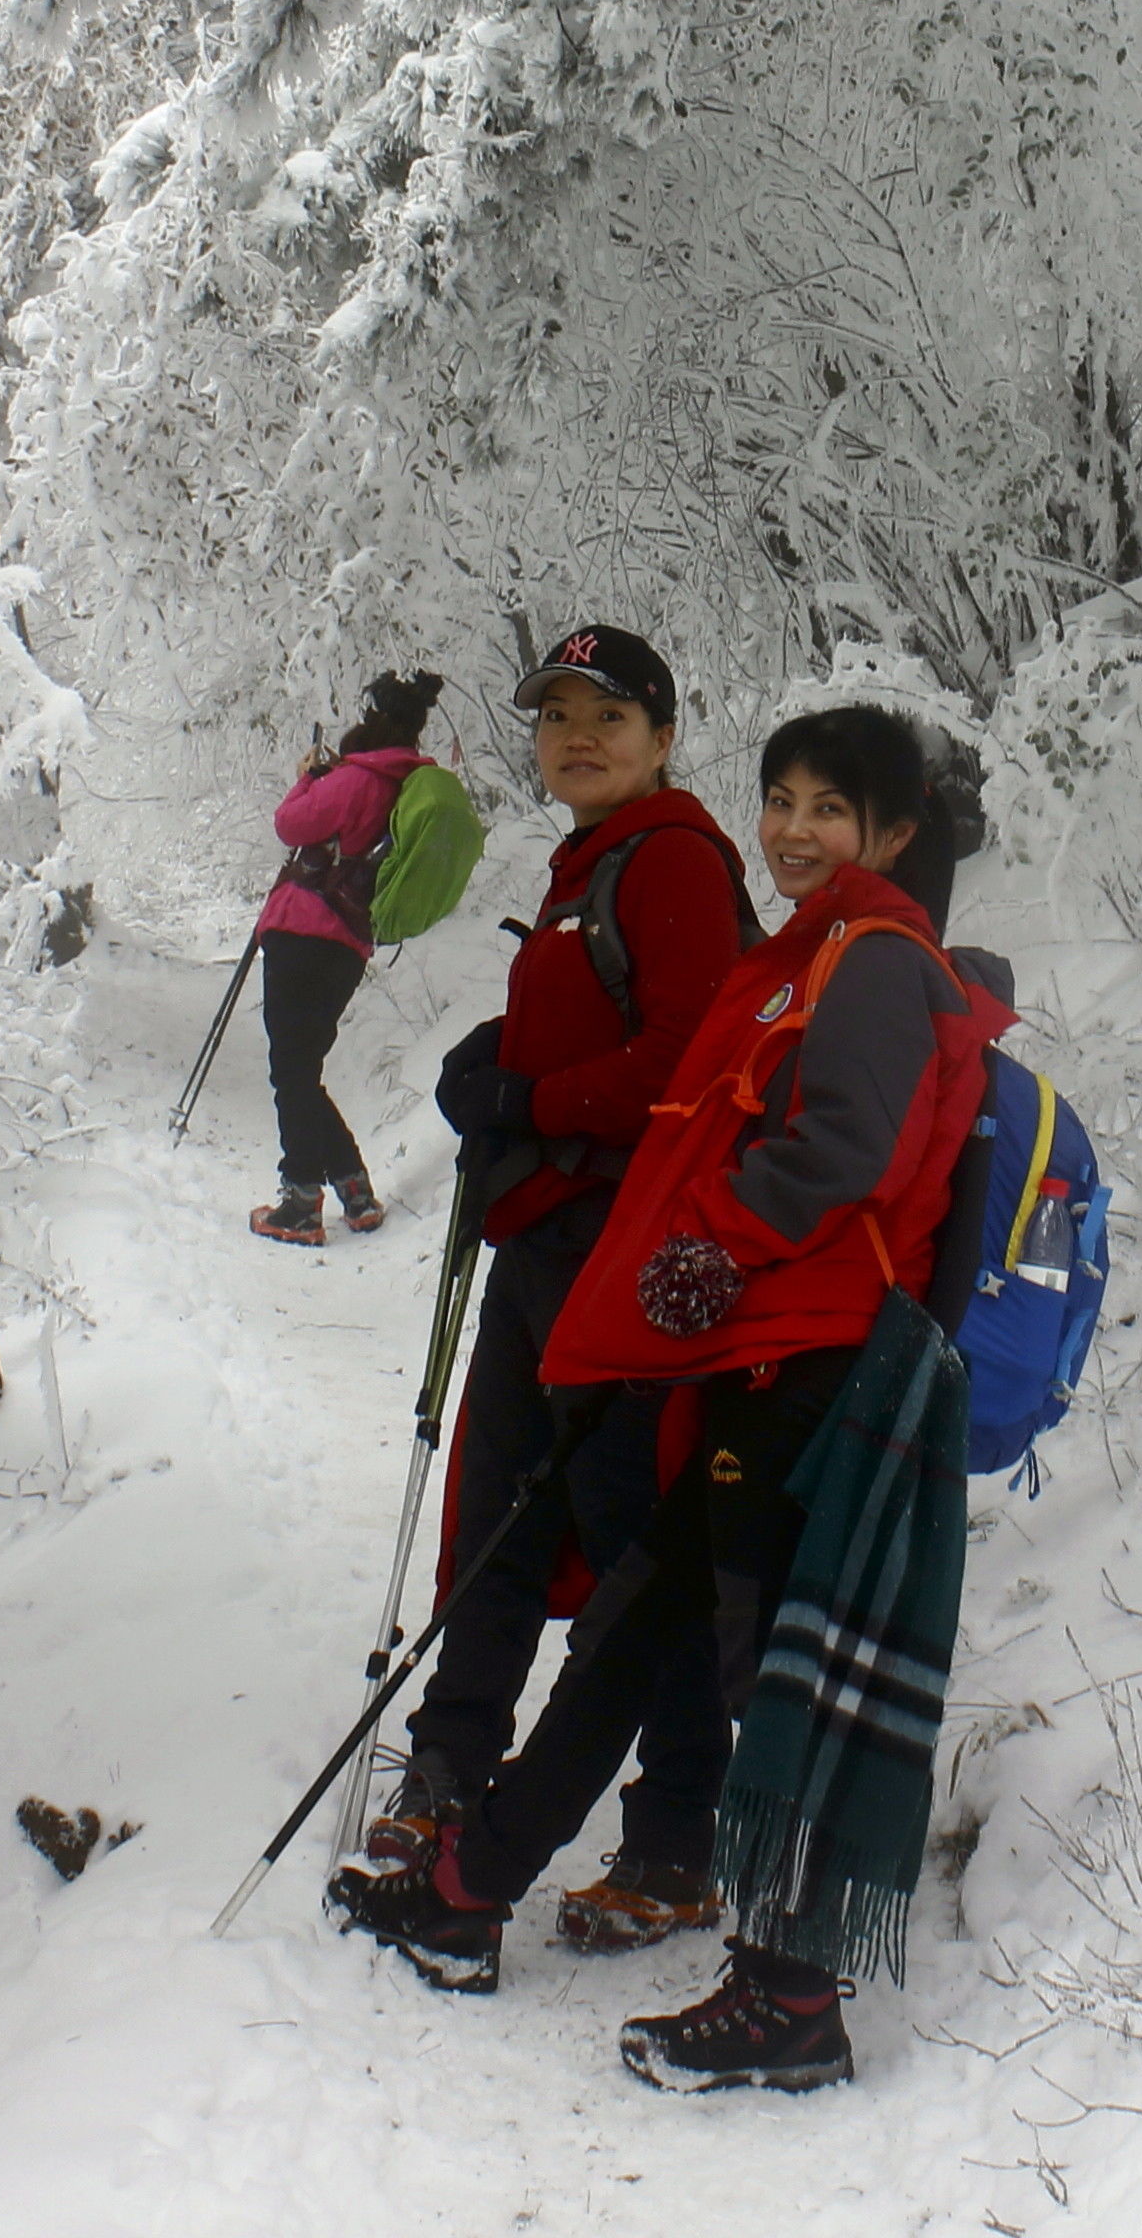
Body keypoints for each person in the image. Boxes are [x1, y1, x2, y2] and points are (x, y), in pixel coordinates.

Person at [333, 701, 1004, 2098]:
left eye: (832, 809)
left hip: (818, 1357)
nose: (795, 831)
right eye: (783, 800)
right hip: (762, 1352)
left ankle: (792, 1995)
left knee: (764, 1666)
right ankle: (471, 1893)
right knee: (644, 1629)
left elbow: (846, 1154)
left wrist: (721, 1243)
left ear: (890, 833)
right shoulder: (810, 958)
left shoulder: (877, 962)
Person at [378, 626, 752, 1953]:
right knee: (498, 1513)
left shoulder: (675, 863)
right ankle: (448, 1776)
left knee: (633, 1548)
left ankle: (674, 1837)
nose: (577, 735)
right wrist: (508, 1054)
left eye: (609, 714)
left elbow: (683, 1063)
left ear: (662, 736)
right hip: (548, 1250)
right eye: (555, 717)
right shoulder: (590, 865)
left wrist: (525, 1096)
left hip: (624, 1267)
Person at [245, 669, 440, 1246]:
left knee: (292, 1072)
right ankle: (354, 1188)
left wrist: (306, 780)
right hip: (348, 942)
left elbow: (291, 824)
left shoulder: (360, 779)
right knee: (302, 1071)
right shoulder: (406, 782)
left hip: (304, 932)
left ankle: (302, 1202)